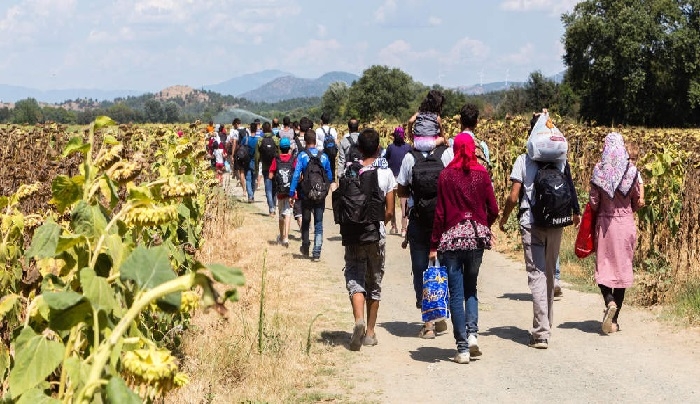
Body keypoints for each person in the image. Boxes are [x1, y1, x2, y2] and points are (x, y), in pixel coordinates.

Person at [498, 116, 581, 349]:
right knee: (550, 275)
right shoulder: (560, 160)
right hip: (556, 223)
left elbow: (513, 196)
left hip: (530, 223)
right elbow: (571, 188)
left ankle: (541, 332)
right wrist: (576, 212)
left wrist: (503, 218)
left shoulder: (523, 160)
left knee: (537, 275)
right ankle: (546, 326)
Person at [428, 133, 499, 364]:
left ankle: (462, 349)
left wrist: (433, 244)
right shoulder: (482, 173)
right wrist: (483, 225)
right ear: (472, 148)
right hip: (476, 240)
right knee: (471, 289)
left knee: (456, 294)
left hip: (451, 241)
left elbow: (440, 214)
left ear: (456, 149)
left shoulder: (446, 175)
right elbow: (494, 208)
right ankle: (473, 335)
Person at [336, 128, 396, 351]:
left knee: (354, 276)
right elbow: (389, 211)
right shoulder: (386, 174)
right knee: (375, 281)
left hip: (353, 235)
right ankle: (370, 332)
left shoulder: (350, 172)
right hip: (376, 235)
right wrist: (380, 224)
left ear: (358, 149)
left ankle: (358, 320)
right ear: (379, 148)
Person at [397, 125, 454, 339]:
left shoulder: (409, 158)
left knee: (421, 268)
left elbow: (401, 188)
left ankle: (428, 323)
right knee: (441, 267)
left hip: (418, 221)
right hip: (443, 220)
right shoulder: (446, 154)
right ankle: (440, 315)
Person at [590, 132, 643, 334]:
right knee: (621, 271)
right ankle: (614, 322)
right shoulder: (632, 171)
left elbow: (594, 202)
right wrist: (627, 210)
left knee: (603, 268)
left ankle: (608, 300)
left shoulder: (599, 171)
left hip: (605, 225)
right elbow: (637, 200)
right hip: (626, 224)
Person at [289, 129, 333, 261]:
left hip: (306, 194)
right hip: (320, 194)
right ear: (315, 141)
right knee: (318, 222)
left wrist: (291, 192)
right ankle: (317, 251)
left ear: (306, 141)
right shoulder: (323, 156)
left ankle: (306, 245)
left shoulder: (302, 156)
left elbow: (296, 175)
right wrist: (327, 189)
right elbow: (329, 175)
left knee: (306, 221)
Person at [269, 137, 296, 248]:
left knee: (281, 214)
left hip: (280, 191)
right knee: (288, 213)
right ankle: (286, 238)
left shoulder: (276, 159)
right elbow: (298, 175)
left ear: (280, 148)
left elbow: (270, 175)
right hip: (290, 191)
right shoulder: (293, 159)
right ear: (289, 148)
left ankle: (281, 236)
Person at [385, 126, 411, 236]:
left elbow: (386, 160)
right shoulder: (408, 147)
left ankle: (394, 226)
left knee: (391, 204)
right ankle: (404, 228)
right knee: (404, 204)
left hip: (392, 177)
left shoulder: (390, 147)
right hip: (404, 178)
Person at [256, 122, 280, 216]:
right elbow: (279, 153)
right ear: (270, 129)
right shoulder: (275, 139)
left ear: (262, 129)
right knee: (274, 188)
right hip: (275, 167)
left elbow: (257, 156)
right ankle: (273, 205)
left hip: (266, 167)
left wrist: (257, 168)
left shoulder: (260, 140)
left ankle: (271, 208)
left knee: (268, 189)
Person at [315, 112, 339, 182]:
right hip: (332, 152)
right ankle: (332, 181)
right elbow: (336, 142)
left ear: (321, 121)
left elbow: (316, 144)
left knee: (323, 169)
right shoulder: (333, 130)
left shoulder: (318, 130)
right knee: (332, 168)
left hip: (322, 153)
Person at [243, 122, 261, 203]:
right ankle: (251, 195)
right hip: (256, 162)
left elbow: (241, 149)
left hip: (247, 161)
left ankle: (250, 195)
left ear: (250, 129)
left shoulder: (245, 139)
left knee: (248, 179)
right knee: (253, 180)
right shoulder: (258, 140)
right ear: (256, 129)